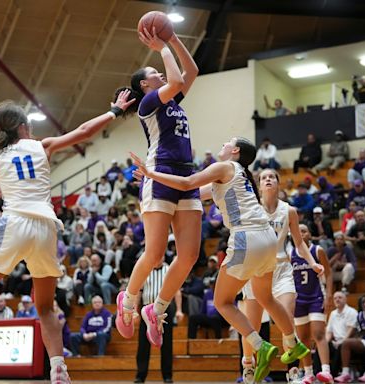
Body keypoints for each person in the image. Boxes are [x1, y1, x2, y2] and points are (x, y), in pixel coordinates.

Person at [0, 94, 134, 384]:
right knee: (45, 306)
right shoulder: (41, 146)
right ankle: (59, 370)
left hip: (14, 224)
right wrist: (114, 111)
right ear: (24, 126)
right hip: (46, 227)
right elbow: (84, 131)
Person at [132, 138, 320, 381]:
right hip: (268, 239)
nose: (223, 143)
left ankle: (259, 346)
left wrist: (152, 173)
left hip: (246, 238)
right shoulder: (238, 174)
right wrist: (151, 183)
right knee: (266, 297)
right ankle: (291, 342)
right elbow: (187, 193)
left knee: (223, 302)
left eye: (228, 142)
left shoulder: (225, 167)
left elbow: (188, 182)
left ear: (235, 151)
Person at [112, 27, 204, 352]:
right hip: (160, 174)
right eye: (154, 73)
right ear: (145, 84)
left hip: (186, 177)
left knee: (189, 255)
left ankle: (157, 308)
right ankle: (129, 300)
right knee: (153, 254)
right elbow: (177, 79)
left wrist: (175, 40)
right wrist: (161, 46)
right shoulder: (149, 103)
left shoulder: (172, 99)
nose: (161, 73)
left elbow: (190, 72)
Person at [240, 168, 326, 384]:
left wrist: (313, 262)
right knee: (253, 326)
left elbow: (299, 242)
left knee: (286, 319)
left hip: (281, 270)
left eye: (272, 177)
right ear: (259, 185)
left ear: (278, 184)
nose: (268, 180)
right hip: (256, 269)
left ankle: (294, 371)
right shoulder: (252, 207)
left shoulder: (289, 211)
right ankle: (248, 363)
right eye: (264, 178)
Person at [291, 224, 333, 383]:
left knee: (319, 334)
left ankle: (326, 371)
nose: (301, 233)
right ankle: (308, 373)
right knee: (303, 339)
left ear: (310, 234)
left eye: (304, 230)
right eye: (298, 231)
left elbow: (328, 274)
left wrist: (329, 295)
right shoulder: (291, 254)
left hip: (316, 298)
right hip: (298, 301)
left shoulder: (318, 251)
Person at [135, 255, 183, 384]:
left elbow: (177, 291)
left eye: (160, 256)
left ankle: (167, 376)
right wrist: (134, 309)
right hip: (146, 310)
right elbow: (139, 291)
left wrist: (179, 309)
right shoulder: (146, 270)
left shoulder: (169, 269)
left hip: (164, 310)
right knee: (143, 345)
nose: (158, 258)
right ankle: (140, 376)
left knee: (167, 344)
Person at [334, 295, 365, 383]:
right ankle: (345, 373)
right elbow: (360, 331)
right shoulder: (360, 315)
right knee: (346, 342)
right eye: (363, 303)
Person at [325, 292, 358, 377]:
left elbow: (351, 331)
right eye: (335, 298)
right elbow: (329, 332)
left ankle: (333, 374)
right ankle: (318, 372)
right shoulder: (333, 313)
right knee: (323, 346)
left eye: (340, 297)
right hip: (335, 341)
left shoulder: (352, 312)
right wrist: (326, 343)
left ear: (345, 299)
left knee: (341, 346)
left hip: (347, 342)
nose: (337, 300)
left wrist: (341, 342)